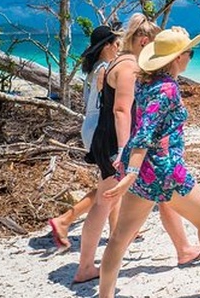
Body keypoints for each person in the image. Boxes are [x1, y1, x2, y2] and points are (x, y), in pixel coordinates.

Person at [98, 27, 200, 297]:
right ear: (177, 59)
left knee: (119, 239)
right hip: (165, 170)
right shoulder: (168, 88)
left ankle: (105, 295)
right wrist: (131, 173)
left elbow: (143, 127)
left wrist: (133, 171)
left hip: (146, 170)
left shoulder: (143, 82)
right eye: (189, 53)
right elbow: (146, 131)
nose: (191, 58)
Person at [73, 14, 200, 284]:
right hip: (118, 141)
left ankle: (184, 248)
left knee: (156, 195)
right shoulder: (130, 66)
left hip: (110, 137)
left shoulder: (117, 62)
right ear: (144, 42)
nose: (157, 56)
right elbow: (122, 110)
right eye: (155, 48)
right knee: (105, 202)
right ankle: (85, 266)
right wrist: (124, 151)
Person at [48, 25, 121, 250]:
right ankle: (65, 220)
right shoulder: (105, 69)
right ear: (107, 46)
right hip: (102, 127)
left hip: (91, 125)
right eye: (116, 43)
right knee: (112, 183)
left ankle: (118, 231)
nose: (119, 47)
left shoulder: (94, 69)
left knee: (112, 180)